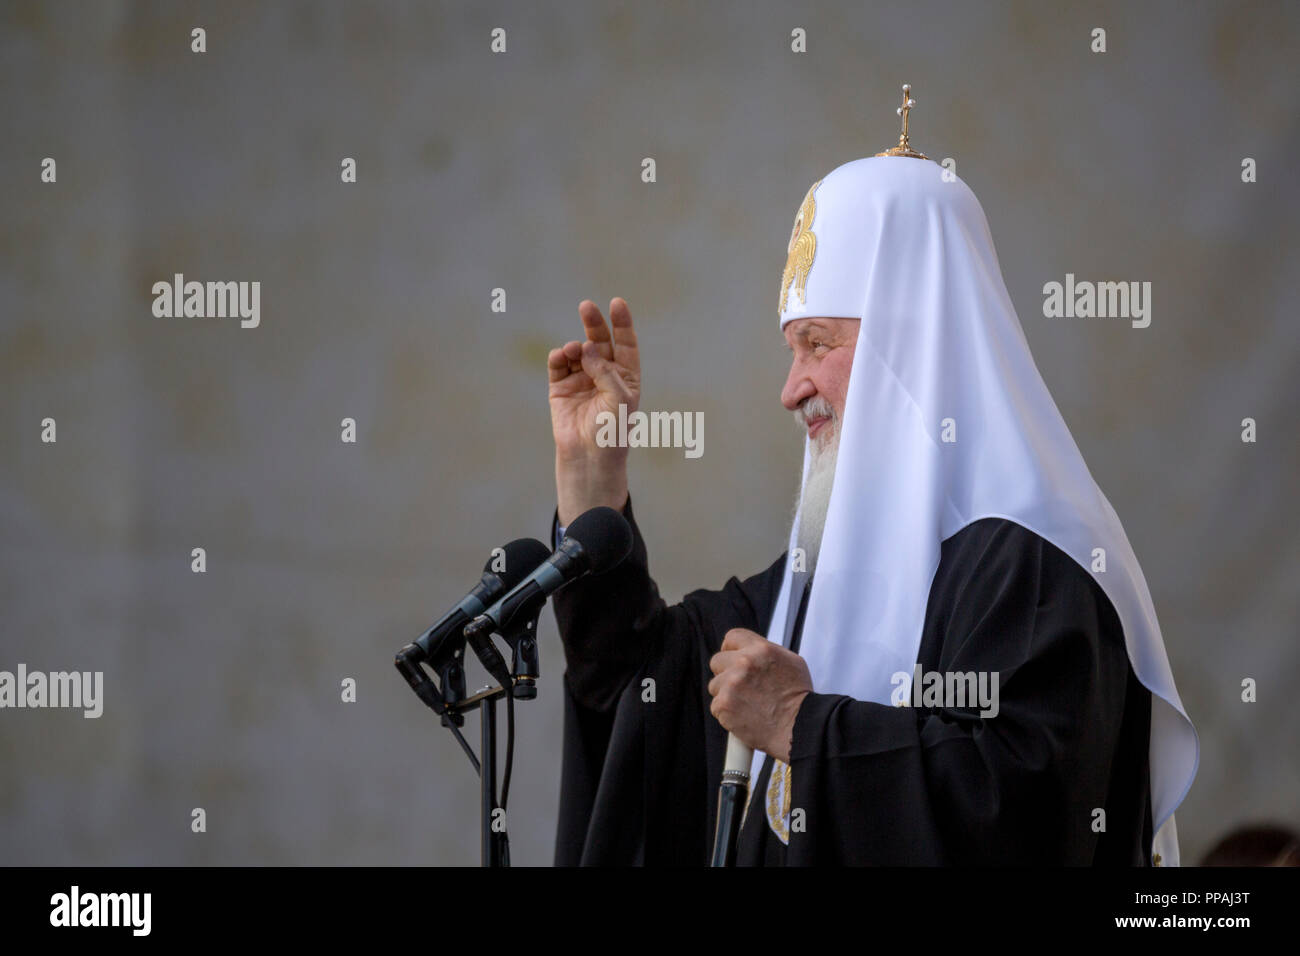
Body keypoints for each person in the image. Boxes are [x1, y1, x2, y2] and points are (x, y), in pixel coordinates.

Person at [544, 95, 1198, 866]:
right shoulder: (810, 580)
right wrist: (593, 482)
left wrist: (800, 724)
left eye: (817, 343)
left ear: (912, 341)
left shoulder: (1039, 561)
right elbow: (642, 690)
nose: (791, 389)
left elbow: (1020, 810)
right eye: (792, 349)